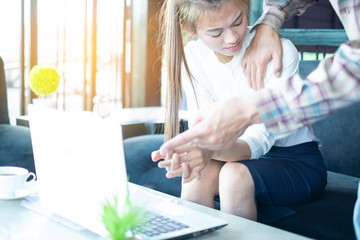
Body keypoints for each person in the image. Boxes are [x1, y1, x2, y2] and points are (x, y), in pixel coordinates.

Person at [151, 0, 327, 222]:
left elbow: (261, 138)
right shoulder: (193, 57)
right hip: (231, 154)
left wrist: (207, 150)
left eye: (238, 22)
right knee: (198, 174)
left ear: (245, 8)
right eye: (215, 33)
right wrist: (189, 151)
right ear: (191, 29)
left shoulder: (280, 51)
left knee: (233, 176)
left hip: (295, 160)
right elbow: (204, 125)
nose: (232, 38)